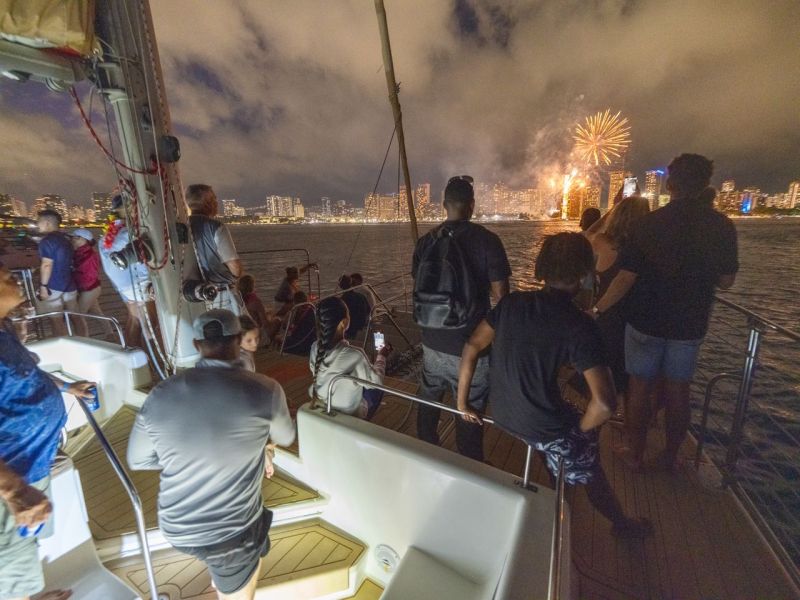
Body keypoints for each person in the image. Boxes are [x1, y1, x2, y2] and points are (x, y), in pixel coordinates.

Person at [456, 233, 651, 538]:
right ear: (585, 275)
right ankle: (623, 526)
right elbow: (604, 405)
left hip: (505, 414)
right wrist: (580, 433)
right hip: (540, 425)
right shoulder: (579, 325)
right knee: (587, 455)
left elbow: (471, 348)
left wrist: (461, 404)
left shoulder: (510, 303)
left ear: (541, 269)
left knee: (568, 416)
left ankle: (558, 471)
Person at [127, 309, 295, 600]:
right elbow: (286, 437)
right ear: (240, 340)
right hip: (229, 534)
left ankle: (225, 578)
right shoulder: (265, 390)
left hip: (176, 527)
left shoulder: (161, 394)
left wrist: (184, 456)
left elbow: (137, 460)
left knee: (258, 540)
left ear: (196, 346)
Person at [592, 154, 738, 472]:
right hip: (690, 323)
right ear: (704, 185)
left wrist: (597, 309)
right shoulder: (721, 226)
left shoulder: (649, 224)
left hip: (646, 320)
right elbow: (726, 281)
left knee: (639, 388)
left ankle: (634, 452)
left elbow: (626, 278)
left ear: (670, 183)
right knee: (678, 390)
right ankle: (671, 457)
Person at [0, 266, 96, 600]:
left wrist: (68, 387)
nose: (11, 276)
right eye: (1, 273)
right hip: (8, 482)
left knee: (25, 542)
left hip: (29, 469)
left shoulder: (4, 330)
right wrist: (11, 491)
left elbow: (29, 374)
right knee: (8, 562)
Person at [412, 175, 511, 462]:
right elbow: (501, 297)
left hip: (432, 339)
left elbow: (420, 286)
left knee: (429, 398)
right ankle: (469, 464)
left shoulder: (425, 241)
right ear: (472, 206)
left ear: (444, 205)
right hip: (471, 346)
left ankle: (426, 452)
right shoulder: (487, 241)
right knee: (468, 409)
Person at [584, 197, 651, 397]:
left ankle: (597, 420)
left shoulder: (602, 243)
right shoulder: (647, 246)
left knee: (603, 377)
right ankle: (632, 425)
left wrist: (612, 207)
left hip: (607, 318)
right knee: (635, 382)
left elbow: (588, 233)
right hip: (640, 319)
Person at [309, 297, 392, 420]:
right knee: (376, 389)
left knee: (360, 380)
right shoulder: (355, 355)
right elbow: (377, 382)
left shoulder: (315, 347)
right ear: (343, 323)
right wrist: (381, 356)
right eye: (348, 314)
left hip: (324, 403)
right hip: (350, 414)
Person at [98, 195, 159, 350]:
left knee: (134, 321)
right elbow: (146, 257)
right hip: (140, 283)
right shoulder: (129, 234)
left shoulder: (105, 237)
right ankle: (152, 361)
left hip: (123, 287)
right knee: (151, 323)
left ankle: (132, 355)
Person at [186, 184, 244, 315]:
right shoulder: (216, 227)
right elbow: (235, 267)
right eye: (214, 199)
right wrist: (237, 275)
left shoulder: (182, 226)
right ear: (207, 202)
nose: (216, 203)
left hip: (195, 296)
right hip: (221, 295)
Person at [34, 210, 78, 337]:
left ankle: (64, 348)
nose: (38, 225)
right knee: (77, 317)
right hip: (70, 285)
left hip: (53, 286)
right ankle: (85, 340)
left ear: (47, 223)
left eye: (39, 221)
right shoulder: (67, 239)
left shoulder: (46, 241)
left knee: (56, 320)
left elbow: (47, 264)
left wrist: (43, 287)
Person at [70, 228, 113, 339]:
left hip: (89, 289)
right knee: (98, 314)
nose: (73, 240)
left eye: (76, 237)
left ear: (85, 240)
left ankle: (83, 340)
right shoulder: (79, 253)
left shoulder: (89, 255)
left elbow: (90, 275)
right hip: (91, 288)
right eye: (73, 237)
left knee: (78, 316)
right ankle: (111, 335)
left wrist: (73, 271)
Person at [239, 274, 280, 344]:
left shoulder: (238, 299)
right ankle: (269, 341)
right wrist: (270, 317)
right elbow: (266, 324)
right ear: (252, 286)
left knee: (269, 314)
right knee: (277, 320)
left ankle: (274, 339)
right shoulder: (255, 301)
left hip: (244, 335)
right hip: (256, 336)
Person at [279, 291, 316, 356]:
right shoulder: (311, 310)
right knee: (281, 337)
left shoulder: (302, 313)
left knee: (278, 339)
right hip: (309, 341)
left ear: (295, 302)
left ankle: (278, 353)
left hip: (301, 344)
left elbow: (287, 328)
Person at [337, 274, 370, 340]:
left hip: (350, 330)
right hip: (361, 327)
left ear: (341, 286)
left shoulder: (342, 300)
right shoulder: (361, 296)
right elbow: (368, 310)